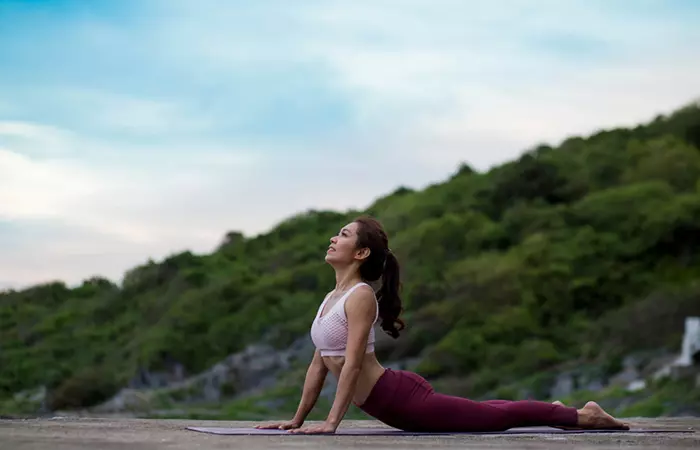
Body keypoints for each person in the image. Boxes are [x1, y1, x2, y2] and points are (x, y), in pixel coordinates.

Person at [255, 215, 629, 434]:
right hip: (391, 405)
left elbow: (351, 364)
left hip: (401, 399)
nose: (334, 238)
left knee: (492, 420)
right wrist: (296, 420)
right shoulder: (331, 299)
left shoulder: (361, 296)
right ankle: (550, 407)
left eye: (345, 235)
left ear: (361, 252)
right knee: (482, 410)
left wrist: (332, 423)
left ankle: (584, 415)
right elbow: (320, 364)